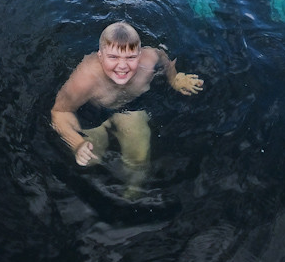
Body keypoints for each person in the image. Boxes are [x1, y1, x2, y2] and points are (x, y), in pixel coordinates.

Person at [51, 22, 203, 182]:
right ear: (100, 56)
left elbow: (164, 59)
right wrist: (77, 143)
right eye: (113, 57)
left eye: (130, 57)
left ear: (139, 55)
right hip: (92, 114)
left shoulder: (150, 58)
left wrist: (175, 79)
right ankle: (101, 134)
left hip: (130, 111)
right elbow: (59, 112)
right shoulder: (85, 79)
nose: (122, 66)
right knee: (91, 159)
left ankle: (133, 195)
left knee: (139, 163)